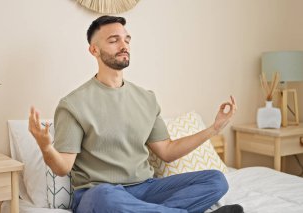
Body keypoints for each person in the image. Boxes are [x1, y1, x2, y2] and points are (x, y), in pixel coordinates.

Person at [29, 15, 242, 213]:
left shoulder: (146, 98)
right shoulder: (73, 104)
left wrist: (214, 129)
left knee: (216, 180)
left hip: (146, 189)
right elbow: (63, 167)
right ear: (94, 50)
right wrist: (46, 146)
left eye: (127, 40)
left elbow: (167, 151)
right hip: (98, 194)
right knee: (106, 197)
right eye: (114, 40)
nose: (124, 46)